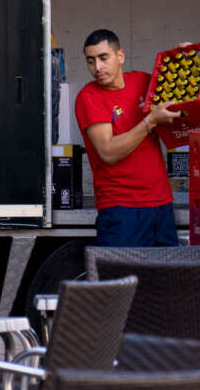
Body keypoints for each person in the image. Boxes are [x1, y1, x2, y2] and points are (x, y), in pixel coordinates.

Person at [75, 29, 182, 246]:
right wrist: (150, 122)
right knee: (122, 280)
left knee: (167, 278)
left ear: (120, 56)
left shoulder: (143, 82)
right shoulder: (89, 97)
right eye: (91, 61)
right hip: (121, 209)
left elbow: (179, 102)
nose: (98, 67)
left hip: (161, 204)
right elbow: (108, 152)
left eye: (103, 58)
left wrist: (184, 62)